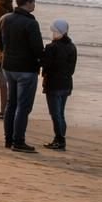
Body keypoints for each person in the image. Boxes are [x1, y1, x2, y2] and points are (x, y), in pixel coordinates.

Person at [0, 0, 45, 153]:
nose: (34, 4)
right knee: (23, 106)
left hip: (8, 66)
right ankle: (18, 141)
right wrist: (42, 61)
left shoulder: (5, 18)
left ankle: (8, 139)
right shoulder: (31, 23)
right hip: (26, 68)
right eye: (33, 1)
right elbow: (37, 48)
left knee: (11, 104)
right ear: (28, 2)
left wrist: (8, 53)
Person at [42, 19, 77, 152]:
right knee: (60, 113)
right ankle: (60, 139)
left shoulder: (51, 47)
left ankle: (60, 139)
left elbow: (46, 65)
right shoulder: (72, 47)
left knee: (55, 114)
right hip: (66, 83)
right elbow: (72, 69)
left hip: (53, 84)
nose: (52, 34)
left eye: (54, 31)